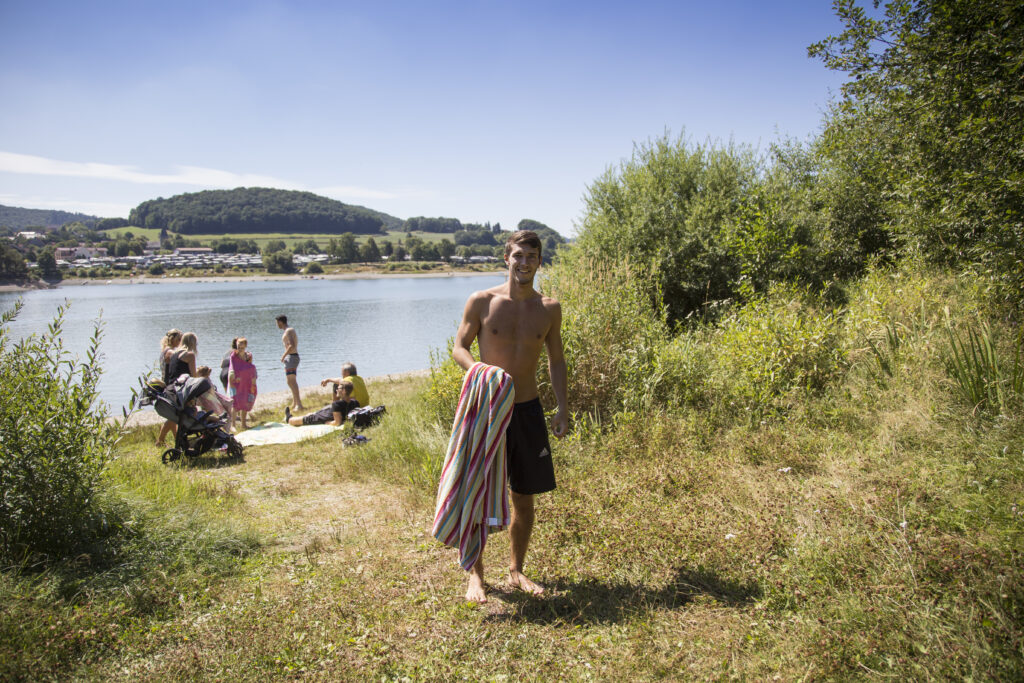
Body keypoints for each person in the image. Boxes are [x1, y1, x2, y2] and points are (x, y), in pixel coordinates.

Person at [450, 229, 568, 603]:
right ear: (507, 259)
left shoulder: (549, 308)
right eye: (518, 256)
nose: (524, 262)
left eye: (531, 256)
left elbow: (556, 359)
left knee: (524, 496)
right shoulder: (482, 301)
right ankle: (476, 576)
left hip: (528, 410)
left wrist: (562, 407)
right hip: (488, 409)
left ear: (539, 262)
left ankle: (516, 570)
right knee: (479, 493)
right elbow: (459, 348)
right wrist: (484, 373)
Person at [284, 380, 358, 427]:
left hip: (323, 418)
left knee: (302, 420)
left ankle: (288, 418)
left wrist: (328, 423)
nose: (336, 390)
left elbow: (337, 422)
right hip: (326, 413)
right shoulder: (355, 402)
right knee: (311, 413)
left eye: (338, 388)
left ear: (344, 391)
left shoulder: (337, 404)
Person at [156, 328, 182, 446]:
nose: (180, 342)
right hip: (169, 384)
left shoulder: (165, 350)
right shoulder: (170, 352)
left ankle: (177, 439)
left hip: (165, 382)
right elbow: (178, 357)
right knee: (174, 415)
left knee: (173, 415)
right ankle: (160, 441)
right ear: (173, 339)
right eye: (179, 339)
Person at [228, 337, 258, 430]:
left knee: (245, 401)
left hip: (246, 382)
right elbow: (234, 368)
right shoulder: (233, 356)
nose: (240, 349)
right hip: (236, 382)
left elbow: (250, 367)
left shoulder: (248, 356)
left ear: (245, 346)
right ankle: (233, 425)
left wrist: (253, 378)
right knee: (235, 402)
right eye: (238, 347)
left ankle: (243, 424)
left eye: (242, 347)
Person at [277, 314, 304, 411]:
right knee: (290, 381)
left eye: (277, 323)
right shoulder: (288, 330)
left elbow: (291, 345)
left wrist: (283, 355)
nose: (277, 325)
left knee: (292, 381)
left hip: (292, 357)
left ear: (280, 322)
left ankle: (299, 405)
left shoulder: (288, 331)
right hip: (291, 357)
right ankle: (295, 402)